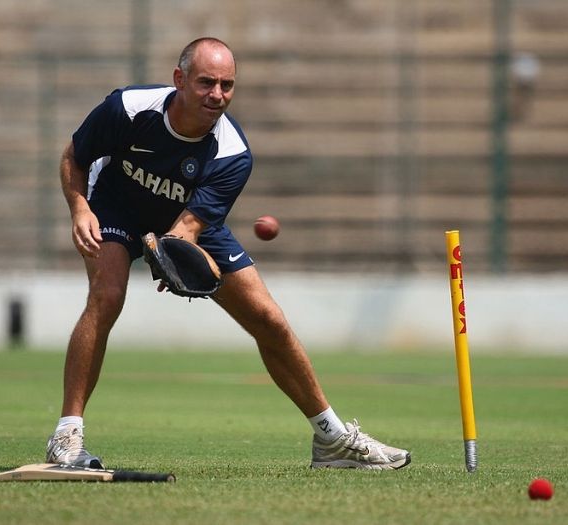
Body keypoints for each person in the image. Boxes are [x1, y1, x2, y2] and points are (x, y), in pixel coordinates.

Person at [47, 37, 410, 470]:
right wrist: (79, 207)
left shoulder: (232, 155)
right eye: (206, 83)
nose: (217, 95)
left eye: (227, 85)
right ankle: (66, 436)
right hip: (114, 205)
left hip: (185, 221)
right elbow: (75, 156)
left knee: (269, 320)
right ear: (179, 79)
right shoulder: (127, 108)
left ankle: (331, 439)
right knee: (107, 295)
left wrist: (173, 260)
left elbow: (185, 231)